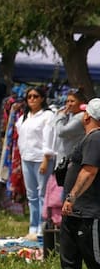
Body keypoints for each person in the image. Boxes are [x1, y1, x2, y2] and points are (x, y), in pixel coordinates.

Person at [44, 97, 100, 269]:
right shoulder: (89, 137)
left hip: (88, 212)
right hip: (75, 211)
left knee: (94, 259)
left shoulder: (96, 138)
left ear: (87, 116)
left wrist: (72, 196)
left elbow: (89, 171)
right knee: (69, 258)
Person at [15, 85, 55, 240]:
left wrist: (46, 159)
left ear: (42, 98)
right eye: (29, 97)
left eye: (35, 96)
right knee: (31, 195)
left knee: (42, 194)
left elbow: (48, 138)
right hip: (27, 158)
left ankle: (42, 227)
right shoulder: (24, 117)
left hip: (41, 159)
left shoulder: (47, 115)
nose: (32, 99)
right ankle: (33, 226)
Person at [45, 90, 88, 227]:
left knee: (69, 195)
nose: (69, 104)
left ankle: (69, 225)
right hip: (63, 162)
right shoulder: (71, 116)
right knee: (63, 194)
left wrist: (61, 115)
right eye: (67, 101)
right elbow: (53, 126)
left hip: (73, 163)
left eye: (72, 101)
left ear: (81, 103)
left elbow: (62, 131)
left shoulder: (80, 117)